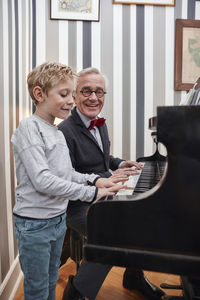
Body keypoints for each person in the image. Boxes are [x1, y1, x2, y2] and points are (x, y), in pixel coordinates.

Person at [11, 62, 125, 300]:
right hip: (34, 224)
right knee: (38, 288)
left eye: (72, 95)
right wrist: (91, 193)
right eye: (65, 95)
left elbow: (67, 173)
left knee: (52, 278)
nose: (71, 102)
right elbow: (43, 180)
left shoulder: (53, 130)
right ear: (39, 94)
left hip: (56, 219)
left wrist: (96, 181)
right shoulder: (29, 128)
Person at [58, 67, 165, 300]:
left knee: (141, 216)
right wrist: (100, 185)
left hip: (106, 195)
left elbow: (102, 159)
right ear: (74, 95)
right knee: (113, 233)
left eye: (99, 92)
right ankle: (77, 292)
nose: (93, 97)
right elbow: (65, 178)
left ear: (104, 95)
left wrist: (119, 163)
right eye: (86, 91)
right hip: (79, 205)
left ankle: (133, 276)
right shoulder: (64, 131)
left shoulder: (99, 123)